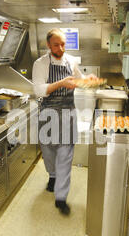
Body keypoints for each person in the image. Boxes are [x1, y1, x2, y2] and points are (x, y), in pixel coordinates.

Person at [32, 28, 95, 215]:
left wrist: (88, 80)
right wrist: (60, 83)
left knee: (66, 155)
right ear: (48, 45)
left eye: (63, 44)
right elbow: (39, 90)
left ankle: (61, 197)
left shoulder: (71, 61)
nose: (60, 48)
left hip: (68, 113)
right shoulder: (40, 64)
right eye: (56, 45)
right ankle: (52, 176)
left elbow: (79, 80)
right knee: (49, 151)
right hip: (48, 115)